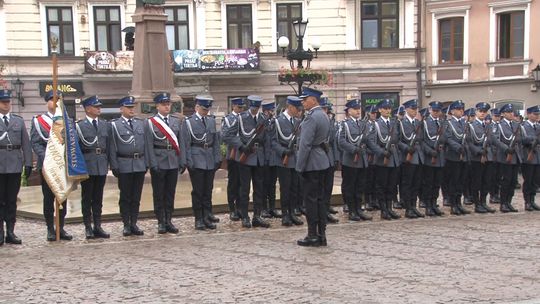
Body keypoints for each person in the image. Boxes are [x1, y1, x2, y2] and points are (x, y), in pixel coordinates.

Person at [222, 95, 270, 228]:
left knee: (259, 188)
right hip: (245, 157)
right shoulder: (241, 118)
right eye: (253, 107)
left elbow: (267, 139)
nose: (255, 110)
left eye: (257, 107)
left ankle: (257, 216)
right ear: (250, 106)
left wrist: (265, 155)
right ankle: (244, 216)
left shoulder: (263, 119)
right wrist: (241, 146)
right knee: (244, 188)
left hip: (259, 157)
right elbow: (227, 135)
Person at [31, 91, 72, 241]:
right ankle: (50, 229)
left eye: (58, 100)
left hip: (63, 166)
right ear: (47, 102)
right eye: (52, 100)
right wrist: (48, 157)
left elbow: (71, 143)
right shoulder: (39, 121)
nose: (55, 103)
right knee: (48, 199)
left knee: (62, 198)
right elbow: (35, 142)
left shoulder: (67, 120)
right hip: (47, 166)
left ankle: (61, 228)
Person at [145, 92, 186, 234]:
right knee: (159, 193)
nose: (167, 106)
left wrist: (182, 161)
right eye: (164, 104)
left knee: (170, 193)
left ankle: (169, 219)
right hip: (159, 160)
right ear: (157, 106)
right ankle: (161, 221)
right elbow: (149, 145)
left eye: (168, 104)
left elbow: (181, 143)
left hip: (173, 161)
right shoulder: (151, 123)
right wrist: (152, 163)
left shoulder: (176, 121)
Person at [296, 87, 331, 247]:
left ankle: (312, 235)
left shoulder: (311, 118)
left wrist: (299, 166)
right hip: (323, 161)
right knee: (321, 200)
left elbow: (305, 145)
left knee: (310, 201)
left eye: (305, 99)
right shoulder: (323, 115)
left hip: (311, 163)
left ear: (314, 100)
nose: (302, 102)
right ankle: (322, 234)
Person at [108, 96, 147, 236]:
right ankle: (126, 224)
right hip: (124, 164)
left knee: (136, 197)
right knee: (125, 197)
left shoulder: (140, 123)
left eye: (133, 107)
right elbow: (112, 146)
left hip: (139, 164)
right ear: (121, 109)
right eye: (129, 107)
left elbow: (145, 145)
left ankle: (134, 223)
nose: (132, 110)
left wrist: (146, 162)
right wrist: (114, 165)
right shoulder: (114, 125)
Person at [183, 95, 222, 230]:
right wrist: (189, 161)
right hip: (197, 158)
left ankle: (206, 216)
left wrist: (218, 158)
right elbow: (186, 144)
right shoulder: (188, 122)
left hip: (209, 158)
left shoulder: (211, 121)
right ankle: (198, 218)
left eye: (207, 110)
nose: (206, 112)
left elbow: (216, 141)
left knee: (208, 190)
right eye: (204, 109)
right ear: (197, 107)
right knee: (198, 191)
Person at [0, 89, 32, 245]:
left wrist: (28, 163)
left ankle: (11, 231)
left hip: (14, 164)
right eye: (4, 102)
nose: (7, 105)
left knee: (12, 200)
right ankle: (0, 232)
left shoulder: (18, 121)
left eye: (8, 102)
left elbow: (26, 143)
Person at [76, 95, 110, 239]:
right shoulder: (79, 126)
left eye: (99, 106)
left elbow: (108, 146)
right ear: (88, 109)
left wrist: (109, 164)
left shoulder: (104, 124)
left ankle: (97, 225)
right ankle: (88, 226)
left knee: (98, 198)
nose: (99, 109)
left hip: (101, 164)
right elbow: (76, 149)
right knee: (87, 198)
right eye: (96, 107)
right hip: (87, 165)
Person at [337, 99, 375, 222]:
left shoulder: (363, 124)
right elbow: (341, 141)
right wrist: (354, 149)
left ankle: (359, 209)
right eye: (355, 108)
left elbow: (369, 141)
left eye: (359, 108)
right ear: (349, 111)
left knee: (360, 187)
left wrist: (378, 151)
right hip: (350, 160)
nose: (358, 110)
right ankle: (352, 211)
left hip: (362, 160)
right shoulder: (344, 124)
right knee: (350, 186)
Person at [271, 96, 304, 227]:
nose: (299, 111)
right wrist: (283, 151)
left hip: (295, 158)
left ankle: (292, 213)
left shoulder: (297, 121)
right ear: (290, 107)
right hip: (283, 160)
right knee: (285, 188)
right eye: (297, 108)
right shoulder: (278, 121)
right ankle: (285, 214)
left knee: (294, 188)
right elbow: (273, 141)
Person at [372, 99, 401, 220]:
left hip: (393, 157)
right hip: (382, 158)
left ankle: (390, 208)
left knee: (392, 185)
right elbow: (372, 142)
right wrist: (381, 152)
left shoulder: (394, 123)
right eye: (385, 108)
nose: (388, 110)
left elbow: (397, 139)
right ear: (380, 110)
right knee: (382, 185)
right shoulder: (376, 124)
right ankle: (383, 210)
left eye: (389, 108)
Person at [466, 102, 496, 214]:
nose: (482, 113)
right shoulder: (471, 126)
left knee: (487, 181)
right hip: (477, 158)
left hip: (488, 157)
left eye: (484, 112)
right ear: (476, 112)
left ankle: (483, 202)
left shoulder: (488, 126)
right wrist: (479, 151)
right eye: (480, 111)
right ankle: (477, 204)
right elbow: (469, 143)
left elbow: (493, 141)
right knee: (476, 182)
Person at [397, 99, 425, 218]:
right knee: (407, 183)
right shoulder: (401, 123)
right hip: (407, 157)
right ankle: (408, 207)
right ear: (407, 109)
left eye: (416, 109)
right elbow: (398, 140)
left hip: (418, 156)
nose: (415, 111)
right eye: (413, 109)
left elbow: (421, 139)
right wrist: (406, 148)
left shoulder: (418, 123)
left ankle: (414, 206)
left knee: (416, 183)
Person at [493, 104, 521, 212]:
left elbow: (520, 138)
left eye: (512, 112)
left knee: (513, 181)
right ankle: (503, 203)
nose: (511, 114)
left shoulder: (516, 124)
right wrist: (506, 148)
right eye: (509, 112)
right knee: (506, 180)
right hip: (505, 156)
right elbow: (496, 140)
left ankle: (509, 202)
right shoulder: (499, 125)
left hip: (515, 156)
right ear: (503, 114)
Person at [444, 100, 471, 215]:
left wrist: (465, 147)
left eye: (462, 109)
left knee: (461, 181)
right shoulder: (448, 124)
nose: (461, 111)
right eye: (458, 109)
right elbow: (448, 138)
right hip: (453, 156)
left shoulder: (465, 123)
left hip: (464, 156)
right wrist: (458, 147)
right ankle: (453, 204)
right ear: (452, 111)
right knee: (453, 181)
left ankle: (459, 203)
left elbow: (468, 138)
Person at [221, 97, 244, 221]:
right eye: (239, 107)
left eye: (242, 107)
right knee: (233, 183)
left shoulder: (245, 118)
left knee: (242, 182)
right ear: (233, 106)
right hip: (234, 154)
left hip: (244, 155)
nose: (241, 110)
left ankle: (240, 207)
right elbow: (225, 136)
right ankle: (232, 209)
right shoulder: (228, 119)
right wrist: (239, 143)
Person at [421, 101, 445, 216]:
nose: (436, 113)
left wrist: (442, 145)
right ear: (430, 110)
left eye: (438, 111)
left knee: (437, 183)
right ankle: (428, 206)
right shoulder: (425, 123)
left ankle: (434, 203)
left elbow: (444, 138)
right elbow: (422, 141)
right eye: (434, 111)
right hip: (430, 158)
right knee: (428, 183)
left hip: (439, 158)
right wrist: (430, 151)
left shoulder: (441, 123)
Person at [320, 97, 339, 224]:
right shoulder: (313, 120)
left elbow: (334, 142)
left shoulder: (331, 121)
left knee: (328, 187)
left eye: (327, 108)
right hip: (319, 157)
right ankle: (321, 213)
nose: (326, 111)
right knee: (320, 189)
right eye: (323, 108)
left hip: (330, 157)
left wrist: (336, 158)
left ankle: (326, 211)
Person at [261, 101, 281, 219]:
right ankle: (264, 208)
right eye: (270, 111)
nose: (272, 113)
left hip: (273, 158)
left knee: (272, 184)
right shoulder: (262, 122)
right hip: (264, 158)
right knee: (264, 184)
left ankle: (272, 207)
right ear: (265, 111)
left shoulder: (275, 122)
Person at [521, 105, 540, 211]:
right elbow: (522, 140)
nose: (537, 116)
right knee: (528, 180)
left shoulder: (538, 126)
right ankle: (527, 201)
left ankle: (532, 200)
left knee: (535, 180)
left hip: (537, 157)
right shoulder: (523, 126)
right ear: (528, 114)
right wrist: (533, 139)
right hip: (528, 156)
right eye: (535, 114)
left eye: (538, 114)